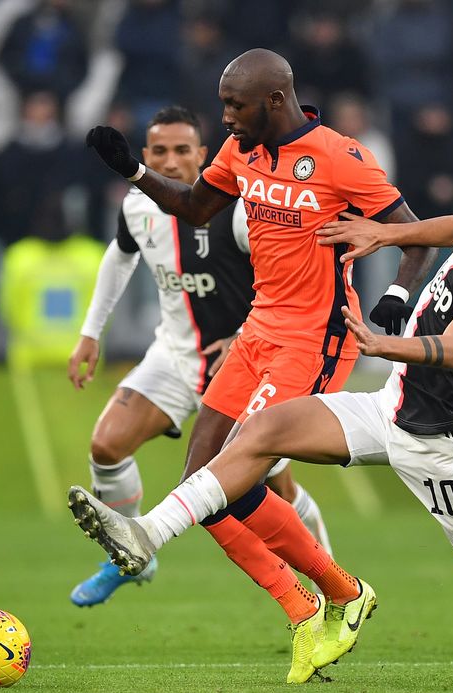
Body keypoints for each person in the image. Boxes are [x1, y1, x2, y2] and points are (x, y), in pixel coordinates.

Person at [68, 130, 453, 682]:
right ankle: (145, 534)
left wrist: (380, 342)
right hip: (393, 408)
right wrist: (387, 232)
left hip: (443, 443)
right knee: (262, 430)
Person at [77, 48, 434, 682]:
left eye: (235, 106)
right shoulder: (242, 150)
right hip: (259, 329)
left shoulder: (338, 156)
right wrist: (132, 169)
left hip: (316, 338)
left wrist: (400, 293)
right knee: (205, 485)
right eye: (222, 106)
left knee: (233, 476)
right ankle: (312, 605)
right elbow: (192, 207)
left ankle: (337, 595)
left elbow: (412, 230)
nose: (226, 117)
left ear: (275, 100)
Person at [67, 105, 333, 606]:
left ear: (203, 155)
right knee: (106, 446)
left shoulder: (237, 210)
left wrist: (241, 335)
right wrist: (90, 332)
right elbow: (120, 255)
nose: (170, 161)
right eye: (160, 151)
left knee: (276, 493)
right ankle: (128, 557)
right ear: (145, 156)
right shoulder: (137, 207)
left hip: (245, 362)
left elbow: (285, 278)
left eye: (182, 150)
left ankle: (328, 577)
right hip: (174, 355)